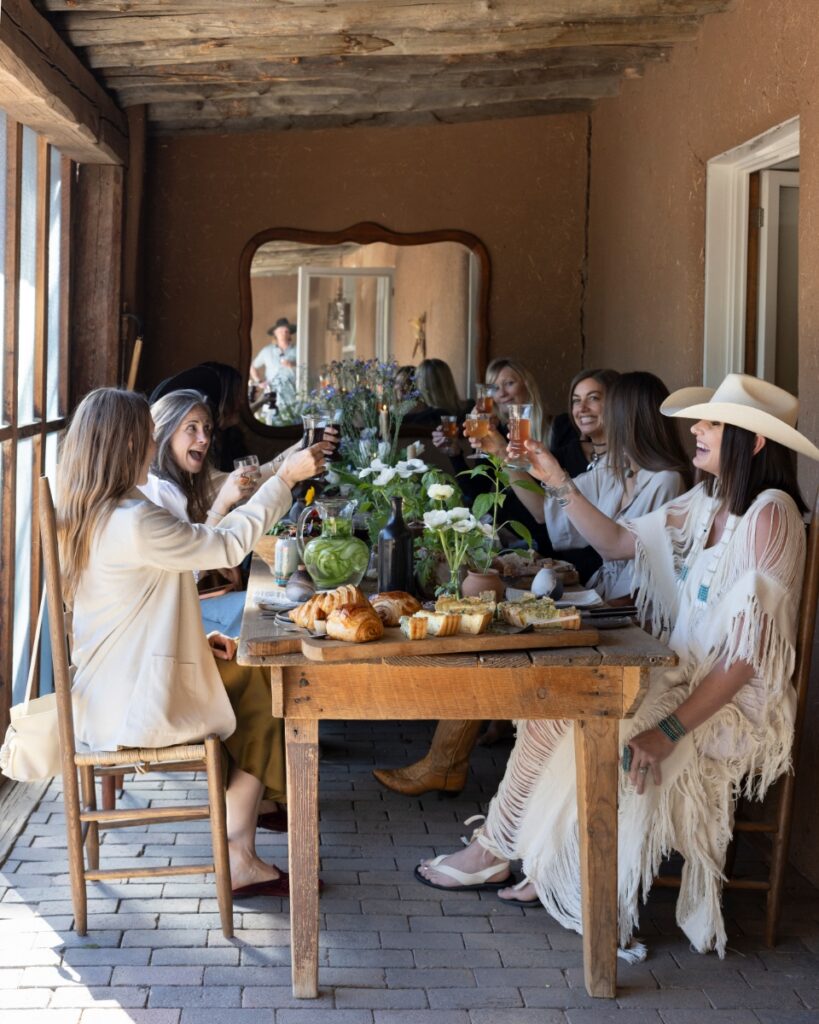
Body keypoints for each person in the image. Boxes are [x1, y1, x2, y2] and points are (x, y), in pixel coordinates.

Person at [414, 373, 817, 960]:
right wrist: (555, 477)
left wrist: (668, 729)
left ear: (752, 442)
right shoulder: (706, 502)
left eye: (712, 423)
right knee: (558, 702)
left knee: (587, 716)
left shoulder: (770, 516)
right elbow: (615, 544)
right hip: (683, 673)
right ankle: (514, 851)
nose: (696, 430)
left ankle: (513, 854)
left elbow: (747, 660)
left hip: (732, 707)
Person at [58, 387, 325, 898]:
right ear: (124, 443)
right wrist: (284, 480)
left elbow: (131, 613)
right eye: (146, 435)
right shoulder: (134, 520)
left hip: (109, 688)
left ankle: (246, 829)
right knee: (268, 688)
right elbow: (224, 545)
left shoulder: (93, 511)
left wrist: (199, 643)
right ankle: (239, 854)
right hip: (134, 704)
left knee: (248, 672)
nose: (152, 443)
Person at [374, 372, 689, 798]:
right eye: (580, 400)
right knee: (491, 628)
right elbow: (550, 513)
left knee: (499, 637)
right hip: (601, 600)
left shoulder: (665, 480)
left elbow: (619, 552)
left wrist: (583, 606)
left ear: (631, 417)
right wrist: (504, 454)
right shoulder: (616, 470)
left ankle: (448, 765)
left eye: (604, 405)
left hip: (630, 616)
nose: (592, 415)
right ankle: (445, 762)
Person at [549, 368, 621, 478]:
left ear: (618, 402)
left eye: (593, 398)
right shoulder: (564, 456)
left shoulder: (634, 459)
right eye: (576, 400)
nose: (582, 408)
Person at [250, 318, 297, 402]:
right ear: (275, 333)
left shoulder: (298, 350)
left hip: (291, 397)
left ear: (290, 333)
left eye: (286, 331)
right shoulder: (267, 351)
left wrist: (294, 364)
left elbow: (306, 367)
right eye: (280, 331)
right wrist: (259, 382)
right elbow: (253, 367)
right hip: (271, 396)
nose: (283, 333)